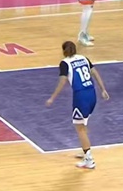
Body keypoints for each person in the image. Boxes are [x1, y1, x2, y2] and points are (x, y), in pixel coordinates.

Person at [45, 41, 110, 169]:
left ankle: (89, 160)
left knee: (79, 128)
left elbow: (63, 80)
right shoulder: (84, 58)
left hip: (81, 96)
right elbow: (95, 73)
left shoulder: (65, 63)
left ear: (64, 51)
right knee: (83, 123)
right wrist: (103, 89)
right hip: (92, 93)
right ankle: (84, 149)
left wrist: (52, 97)